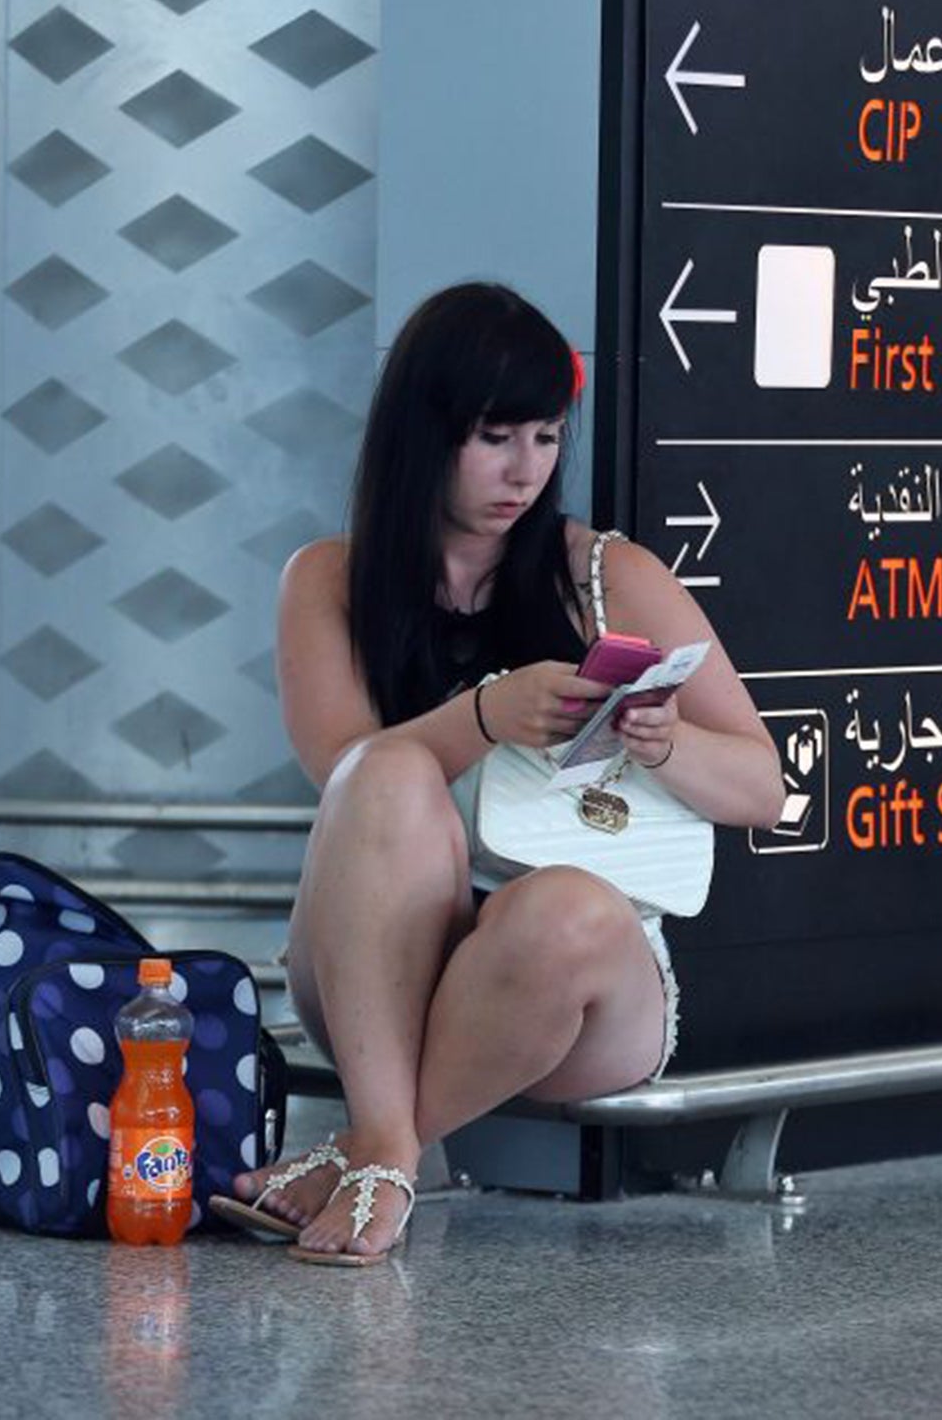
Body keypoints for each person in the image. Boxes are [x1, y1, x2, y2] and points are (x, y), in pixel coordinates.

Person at [211, 283, 784, 1265]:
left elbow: (765, 786)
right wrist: (484, 716)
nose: (524, 472)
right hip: (380, 960)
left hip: (571, 981)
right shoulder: (327, 581)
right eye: (494, 438)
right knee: (386, 774)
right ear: (425, 432)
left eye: (546, 438)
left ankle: (372, 1149)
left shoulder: (605, 575)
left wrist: (665, 743)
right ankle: (392, 1144)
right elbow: (340, 770)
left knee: (566, 909)